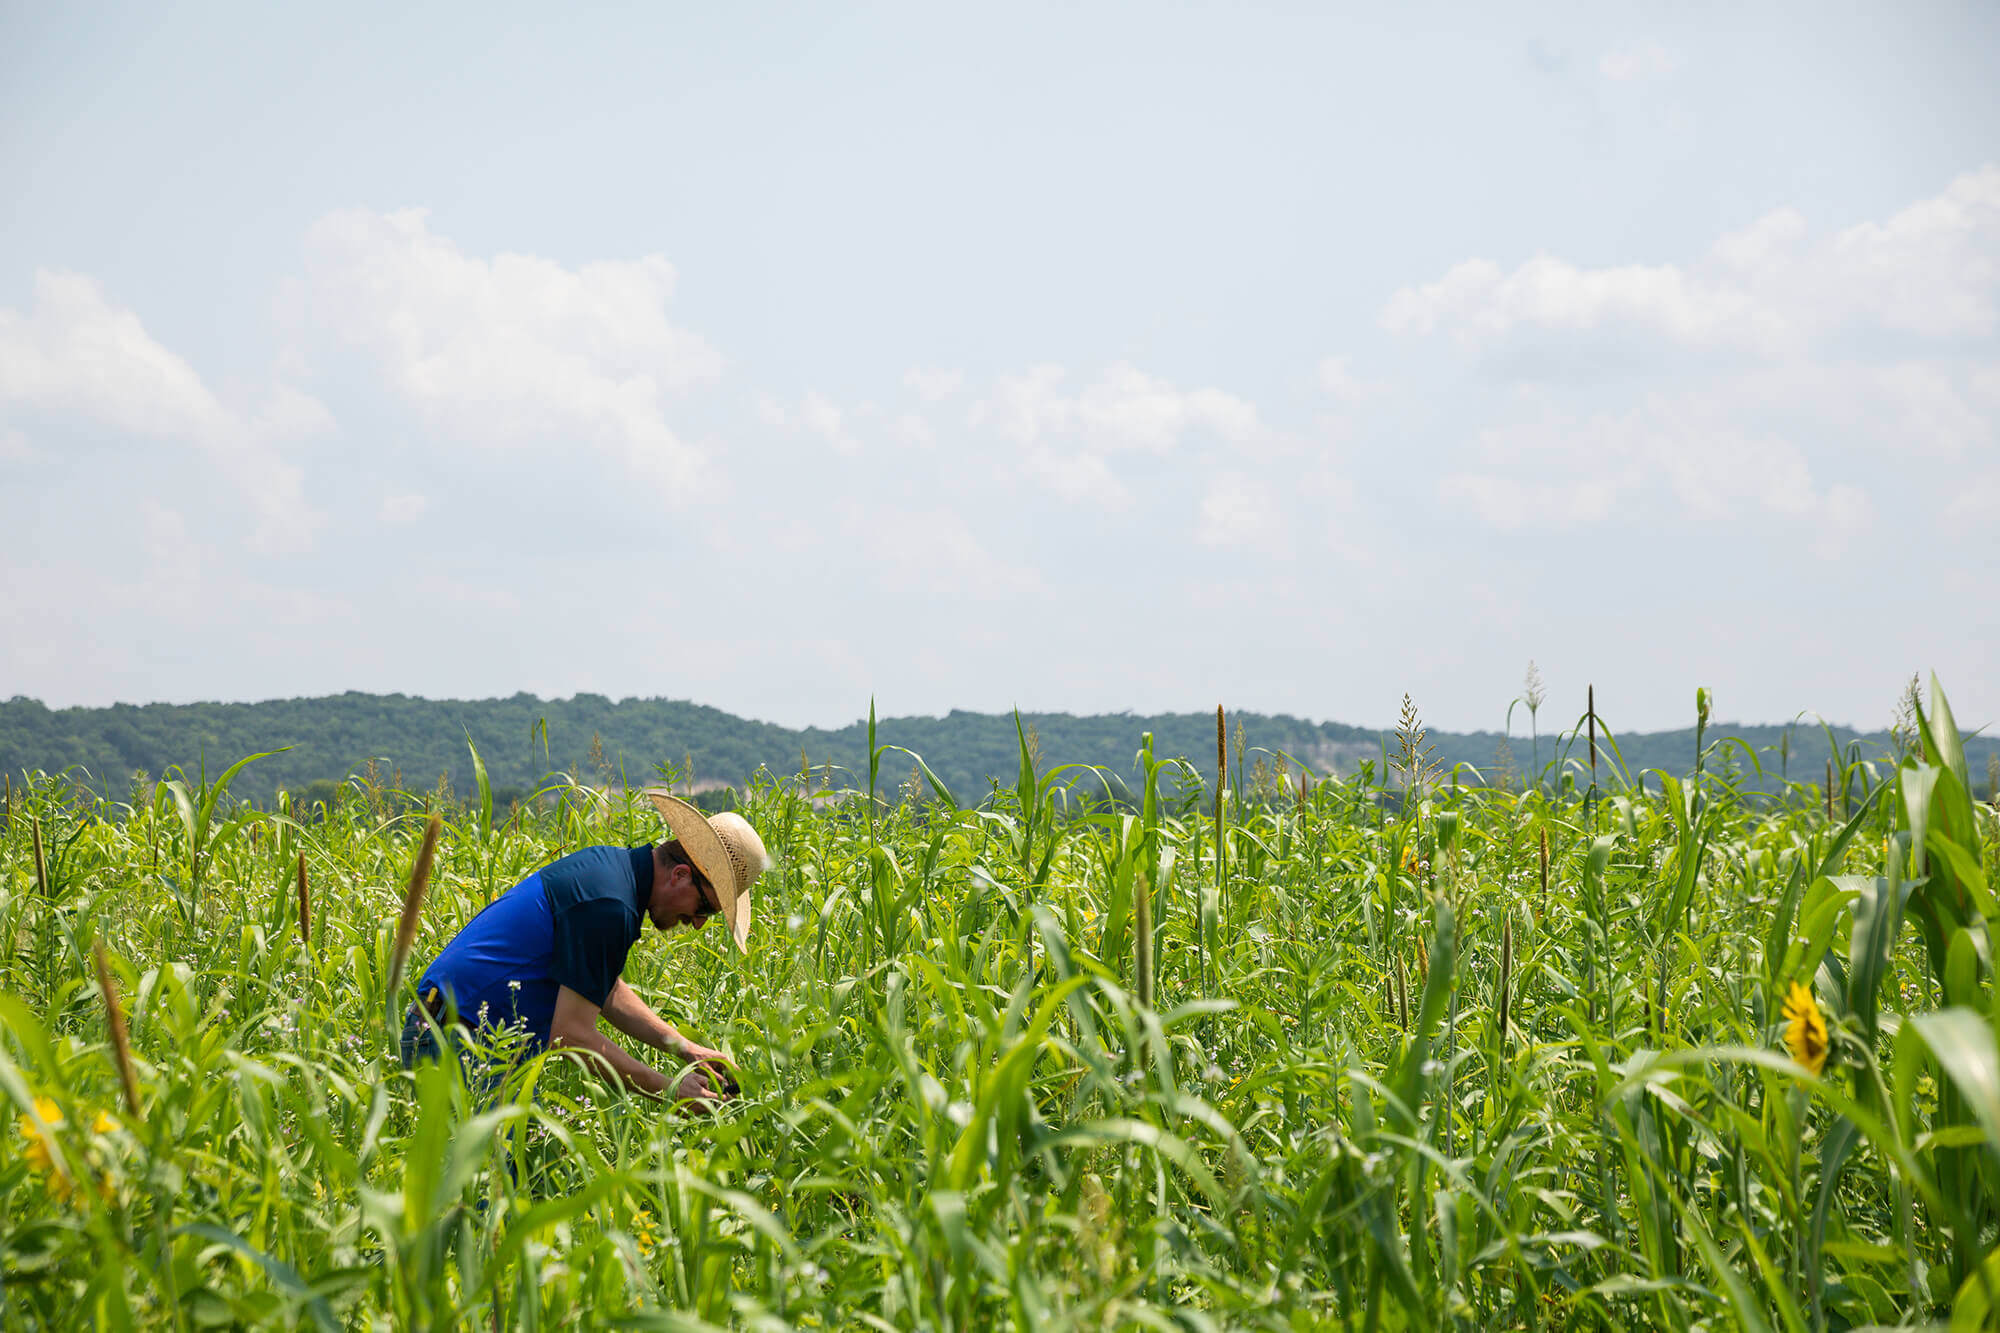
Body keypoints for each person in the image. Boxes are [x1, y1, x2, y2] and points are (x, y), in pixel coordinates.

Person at [402, 789, 770, 1109]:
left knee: (501, 1184)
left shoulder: (612, 872)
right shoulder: (610, 905)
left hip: (462, 1036)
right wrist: (673, 1090)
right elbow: (572, 1036)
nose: (699, 922)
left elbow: (600, 987)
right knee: (485, 1186)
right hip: (455, 1042)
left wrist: (685, 1048)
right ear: (681, 876)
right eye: (705, 908)